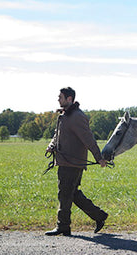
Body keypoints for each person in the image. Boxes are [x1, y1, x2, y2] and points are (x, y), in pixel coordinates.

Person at [45, 87, 108, 236]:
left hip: (72, 163)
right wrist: (52, 146)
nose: (58, 99)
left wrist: (98, 158)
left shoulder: (77, 116)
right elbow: (58, 134)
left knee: (64, 194)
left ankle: (63, 226)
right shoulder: (65, 115)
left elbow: (88, 139)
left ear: (69, 99)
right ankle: (99, 216)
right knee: (72, 194)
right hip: (64, 161)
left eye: (61, 97)